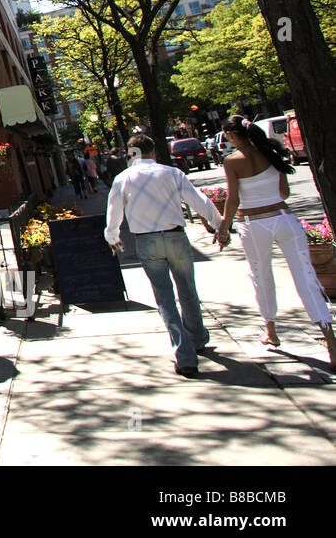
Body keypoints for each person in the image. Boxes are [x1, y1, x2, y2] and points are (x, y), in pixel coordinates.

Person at [216, 115, 336, 367]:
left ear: (230, 134)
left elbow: (234, 200)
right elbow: (284, 192)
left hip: (253, 222)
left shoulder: (232, 162)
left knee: (261, 276)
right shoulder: (272, 154)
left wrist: (224, 228)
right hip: (284, 218)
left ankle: (271, 330)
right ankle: (330, 340)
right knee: (306, 277)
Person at [105, 134, 224, 377]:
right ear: (154, 152)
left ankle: (185, 355)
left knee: (165, 298)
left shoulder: (123, 178)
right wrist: (219, 225)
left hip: (146, 240)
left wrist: (113, 238)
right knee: (188, 290)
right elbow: (199, 201)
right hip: (175, 236)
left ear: (131, 154)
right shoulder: (171, 173)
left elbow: (113, 213)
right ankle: (198, 338)